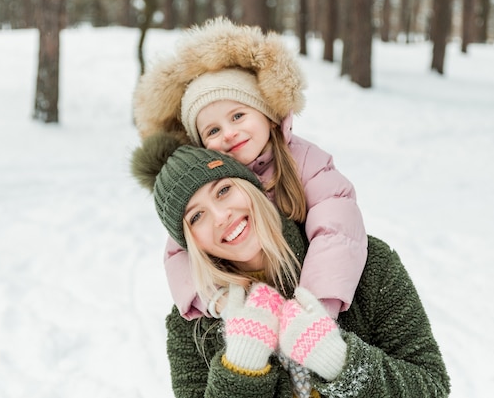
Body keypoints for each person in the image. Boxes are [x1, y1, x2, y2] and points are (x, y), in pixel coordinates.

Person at [130, 132, 450, 398]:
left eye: (224, 191)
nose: (220, 216)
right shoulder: (193, 326)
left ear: (253, 188)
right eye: (196, 216)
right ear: (190, 242)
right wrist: (241, 368)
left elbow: (433, 389)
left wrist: (340, 363)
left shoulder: (368, 265)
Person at [132, 17, 367, 321]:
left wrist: (316, 306)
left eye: (238, 115)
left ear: (268, 115)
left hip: (306, 291)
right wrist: (219, 301)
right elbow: (179, 255)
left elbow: (337, 228)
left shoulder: (307, 162)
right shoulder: (206, 184)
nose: (228, 133)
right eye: (213, 131)